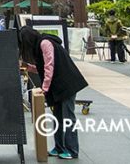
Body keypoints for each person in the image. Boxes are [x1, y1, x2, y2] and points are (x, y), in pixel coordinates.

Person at [19, 25, 88, 160]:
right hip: (58, 85)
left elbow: (49, 66)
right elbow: (43, 69)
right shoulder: (40, 45)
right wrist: (29, 67)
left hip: (67, 84)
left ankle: (72, 150)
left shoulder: (45, 43)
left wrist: (44, 88)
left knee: (67, 117)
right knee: (58, 117)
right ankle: (59, 147)